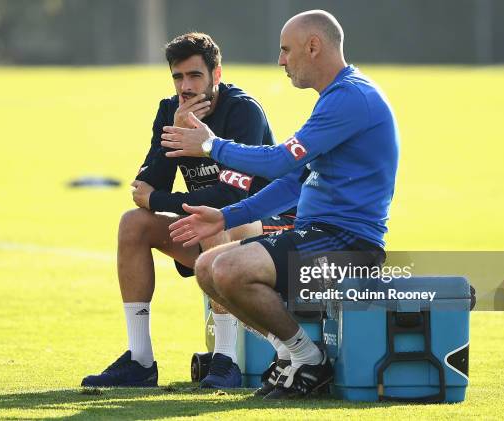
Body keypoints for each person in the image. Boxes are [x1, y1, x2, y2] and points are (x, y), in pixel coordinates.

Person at [161, 10, 399, 399]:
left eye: (286, 50)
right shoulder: (335, 99)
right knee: (207, 267)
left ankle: (310, 361)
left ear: (313, 46)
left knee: (232, 270)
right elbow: (292, 184)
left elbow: (277, 161)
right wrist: (225, 215)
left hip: (348, 245)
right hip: (318, 236)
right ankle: (292, 354)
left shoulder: (352, 98)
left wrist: (210, 145)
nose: (281, 60)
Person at [81, 32, 297, 389]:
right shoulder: (171, 111)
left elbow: (229, 197)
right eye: (178, 77)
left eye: (195, 75)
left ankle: (226, 360)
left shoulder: (243, 111)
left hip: (269, 231)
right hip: (209, 226)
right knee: (133, 224)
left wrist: (162, 197)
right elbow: (146, 189)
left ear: (217, 74)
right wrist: (178, 136)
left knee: (215, 219)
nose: (185, 86)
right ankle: (140, 361)